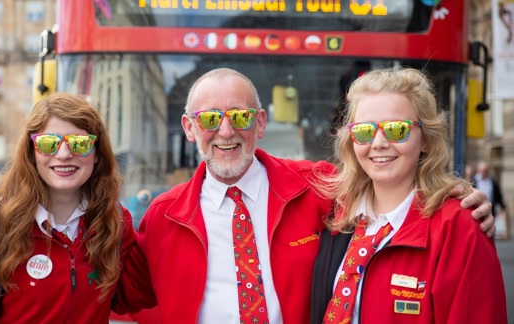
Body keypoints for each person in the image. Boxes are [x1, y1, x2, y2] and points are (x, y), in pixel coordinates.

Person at [113, 68, 495, 323]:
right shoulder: (164, 215)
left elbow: (392, 188)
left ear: (260, 123)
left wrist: (454, 196)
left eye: (242, 117)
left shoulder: (318, 188)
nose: (226, 131)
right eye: (210, 119)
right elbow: (115, 292)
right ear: (190, 128)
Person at [311, 68, 507, 323]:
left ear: (425, 138)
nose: (378, 142)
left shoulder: (460, 227)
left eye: (396, 129)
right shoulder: (333, 212)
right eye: (363, 131)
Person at [0, 93, 136, 323]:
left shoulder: (114, 225)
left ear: (96, 154)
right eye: (48, 143)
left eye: (80, 144)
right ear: (32, 153)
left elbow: (143, 295)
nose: (63, 154)